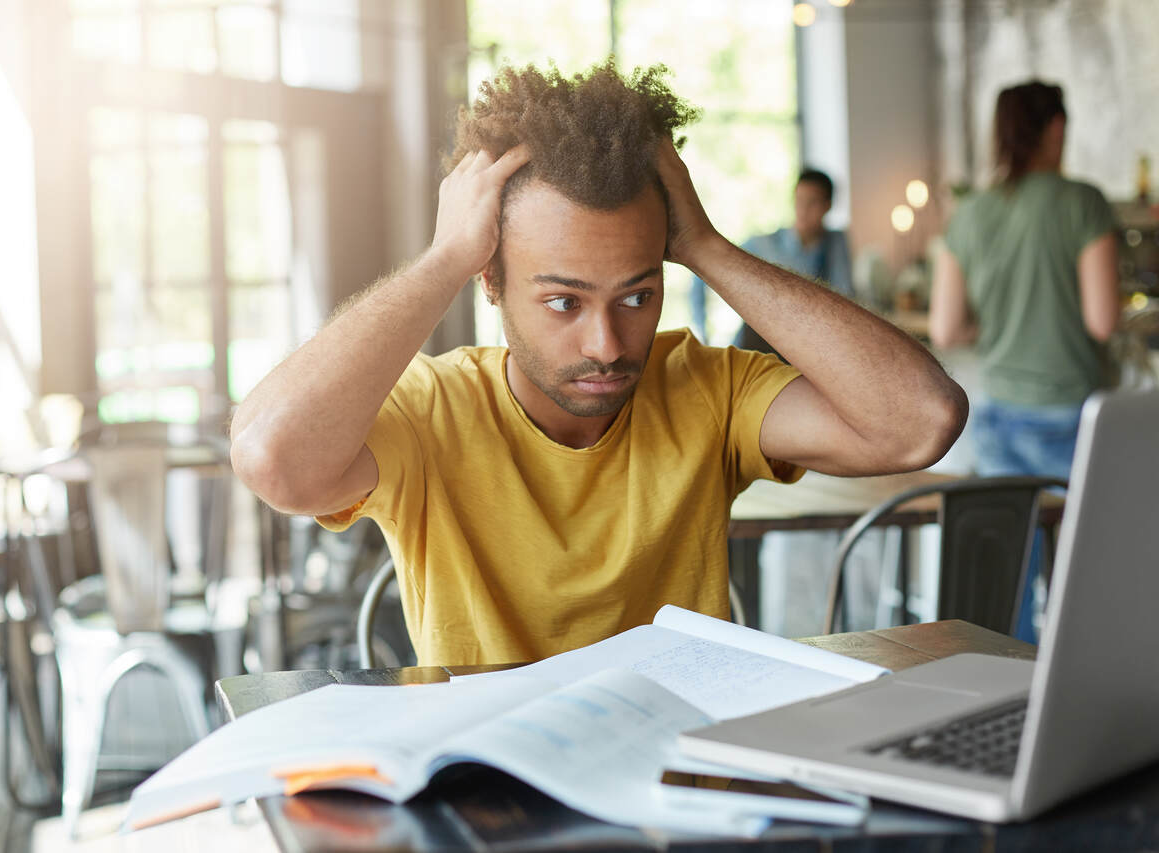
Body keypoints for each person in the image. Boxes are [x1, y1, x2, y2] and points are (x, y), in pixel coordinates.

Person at [231, 61, 967, 666]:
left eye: (638, 295)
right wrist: (443, 258)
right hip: (494, 806)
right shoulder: (434, 409)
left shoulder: (707, 388)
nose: (608, 345)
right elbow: (273, 457)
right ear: (492, 282)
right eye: (563, 303)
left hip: (679, 798)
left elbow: (920, 422)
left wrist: (709, 247)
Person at [928, 80, 1118, 642]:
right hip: (1072, 421)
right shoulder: (1082, 202)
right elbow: (1103, 319)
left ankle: (1013, 709)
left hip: (1000, 419)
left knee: (1009, 587)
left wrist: (1006, 322)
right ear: (1056, 128)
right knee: (1086, 583)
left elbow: (945, 327)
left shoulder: (971, 212)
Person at [699, 169, 853, 356]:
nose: (803, 210)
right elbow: (705, 261)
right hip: (758, 350)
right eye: (799, 201)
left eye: (812, 203)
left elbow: (845, 298)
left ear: (827, 206)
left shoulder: (835, 242)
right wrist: (702, 330)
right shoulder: (764, 245)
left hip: (806, 352)